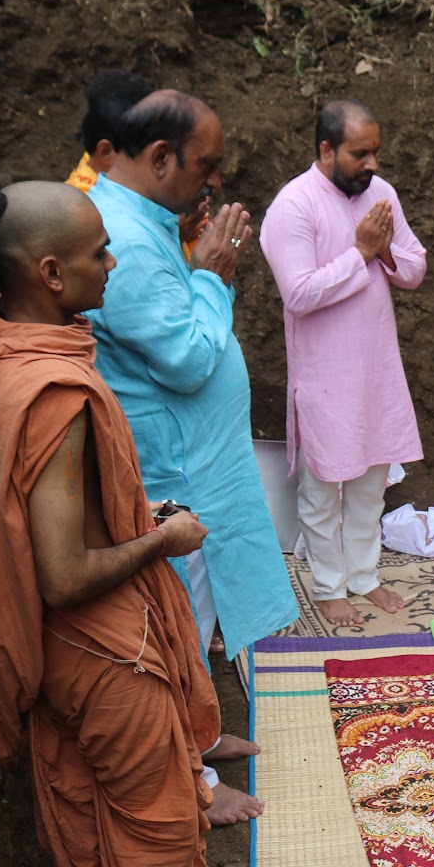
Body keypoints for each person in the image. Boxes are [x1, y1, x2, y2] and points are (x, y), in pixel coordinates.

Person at [0, 182, 218, 867]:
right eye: (98, 253)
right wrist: (164, 537)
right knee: (150, 809)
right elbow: (60, 575)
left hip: (18, 631)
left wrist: (125, 507)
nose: (113, 262)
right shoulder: (54, 394)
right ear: (51, 274)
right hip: (95, 648)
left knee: (87, 795)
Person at [87, 89, 296, 821]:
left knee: (193, 622)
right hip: (172, 474)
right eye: (203, 167)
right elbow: (183, 358)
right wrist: (211, 273)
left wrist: (189, 255)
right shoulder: (126, 240)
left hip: (198, 462)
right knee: (170, 632)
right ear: (159, 157)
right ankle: (191, 788)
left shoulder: (146, 225)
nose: (213, 182)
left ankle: (200, 736)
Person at [261, 100, 427, 626]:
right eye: (361, 154)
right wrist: (360, 254)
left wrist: (382, 253)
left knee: (370, 484)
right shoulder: (294, 206)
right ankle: (329, 585)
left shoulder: (381, 195)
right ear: (327, 149)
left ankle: (364, 576)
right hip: (324, 376)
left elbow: (416, 266)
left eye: (376, 152)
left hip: (377, 369)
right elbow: (300, 293)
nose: (372, 164)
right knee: (321, 489)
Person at [65, 69, 209, 251]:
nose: (163, 160)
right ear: (106, 153)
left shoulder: (112, 169)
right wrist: (172, 236)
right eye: (148, 146)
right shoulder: (84, 216)